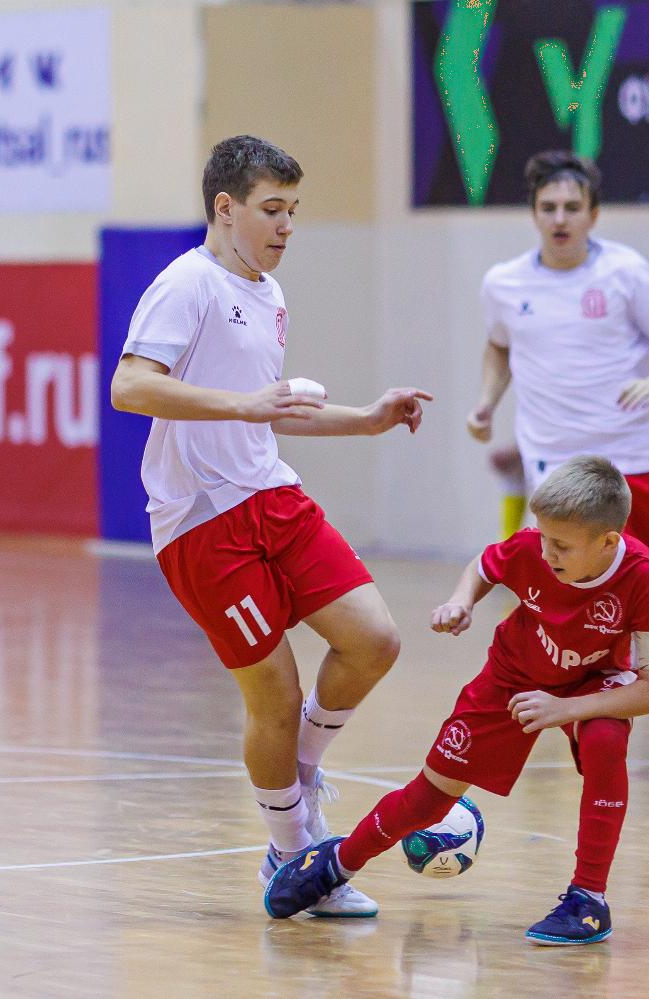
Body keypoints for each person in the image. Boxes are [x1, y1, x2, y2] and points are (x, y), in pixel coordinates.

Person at [109, 135, 432, 917]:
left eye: (293, 210)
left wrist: (364, 419)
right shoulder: (185, 284)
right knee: (276, 696)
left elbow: (271, 410)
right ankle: (293, 857)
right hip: (201, 522)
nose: (287, 226)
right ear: (226, 208)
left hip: (271, 495)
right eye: (272, 209)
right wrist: (243, 404)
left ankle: (303, 772)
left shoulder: (270, 293)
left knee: (374, 639)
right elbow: (129, 386)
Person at [264, 456, 649, 946]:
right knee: (431, 794)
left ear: (608, 542)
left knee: (605, 739)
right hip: (513, 675)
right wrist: (462, 601)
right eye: (543, 537)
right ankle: (336, 863)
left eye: (561, 545)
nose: (546, 552)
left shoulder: (647, 578)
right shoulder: (532, 548)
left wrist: (565, 710)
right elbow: (483, 565)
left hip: (594, 680)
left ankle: (589, 899)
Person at [466, 150, 649, 783]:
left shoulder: (625, 273)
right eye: (548, 207)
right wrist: (487, 402)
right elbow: (497, 348)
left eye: (572, 207)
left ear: (593, 214)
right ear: (533, 214)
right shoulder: (504, 285)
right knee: (626, 617)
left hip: (640, 463)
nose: (560, 219)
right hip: (565, 481)